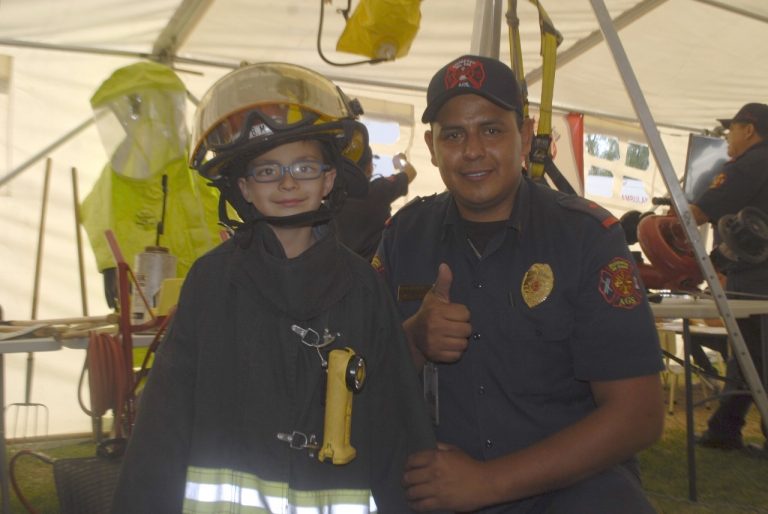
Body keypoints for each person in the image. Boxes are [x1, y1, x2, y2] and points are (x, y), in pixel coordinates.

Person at [110, 62, 437, 513]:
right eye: (267, 171)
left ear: (329, 179)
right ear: (243, 187)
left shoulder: (363, 289)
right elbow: (162, 426)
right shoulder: (211, 283)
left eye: (303, 166)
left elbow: (394, 424)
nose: (286, 182)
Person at [374, 55, 665, 513]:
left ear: (525, 136)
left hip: (568, 488)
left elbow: (639, 416)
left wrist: (488, 483)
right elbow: (360, 385)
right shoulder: (403, 237)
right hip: (437, 486)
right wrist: (413, 338)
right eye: (453, 134)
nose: (472, 150)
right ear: (431, 146)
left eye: (491, 130)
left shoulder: (585, 238)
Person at [688, 102, 768, 453]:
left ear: (748, 129)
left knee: (754, 353)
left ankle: (726, 429)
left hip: (756, 274)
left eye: (732, 130)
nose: (728, 139)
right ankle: (724, 429)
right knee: (748, 353)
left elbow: (700, 211)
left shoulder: (750, 164)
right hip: (753, 270)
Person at [335, 148, 417, 261]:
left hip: (344, 272)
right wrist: (399, 160)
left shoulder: (332, 201)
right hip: (377, 270)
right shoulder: (378, 190)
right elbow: (410, 172)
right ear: (369, 168)